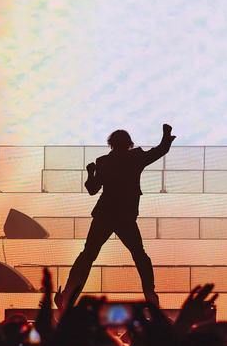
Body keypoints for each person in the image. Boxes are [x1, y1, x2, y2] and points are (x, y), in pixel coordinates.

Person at [61, 124, 175, 308]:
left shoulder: (104, 162)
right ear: (129, 143)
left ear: (111, 144)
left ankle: (68, 294)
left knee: (88, 255)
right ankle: (150, 294)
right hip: (125, 216)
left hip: (105, 214)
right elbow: (160, 151)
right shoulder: (135, 158)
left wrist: (91, 173)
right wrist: (166, 137)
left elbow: (92, 189)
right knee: (139, 255)